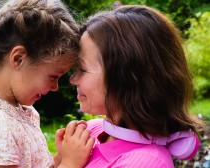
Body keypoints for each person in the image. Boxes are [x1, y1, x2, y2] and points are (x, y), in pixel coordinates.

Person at [0, 0, 94, 167]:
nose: (55, 87)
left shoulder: (21, 113)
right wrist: (70, 164)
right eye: (53, 76)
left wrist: (61, 158)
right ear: (18, 58)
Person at [65, 5, 204, 167]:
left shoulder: (147, 162)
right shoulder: (89, 133)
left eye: (82, 69)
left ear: (126, 79)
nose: (73, 80)